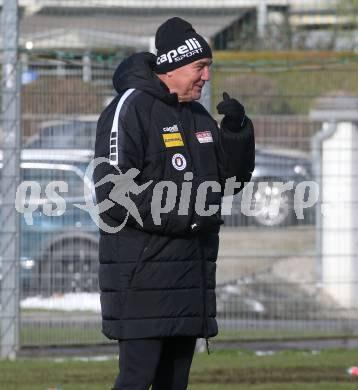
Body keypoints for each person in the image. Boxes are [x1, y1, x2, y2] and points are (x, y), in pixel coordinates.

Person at [94, 17, 255, 390]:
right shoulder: (130, 108)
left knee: (174, 383)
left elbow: (228, 183)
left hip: (190, 279)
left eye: (208, 69)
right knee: (136, 379)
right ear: (172, 66)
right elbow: (114, 193)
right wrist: (190, 214)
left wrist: (235, 135)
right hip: (143, 278)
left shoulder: (197, 115)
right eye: (200, 67)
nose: (206, 77)